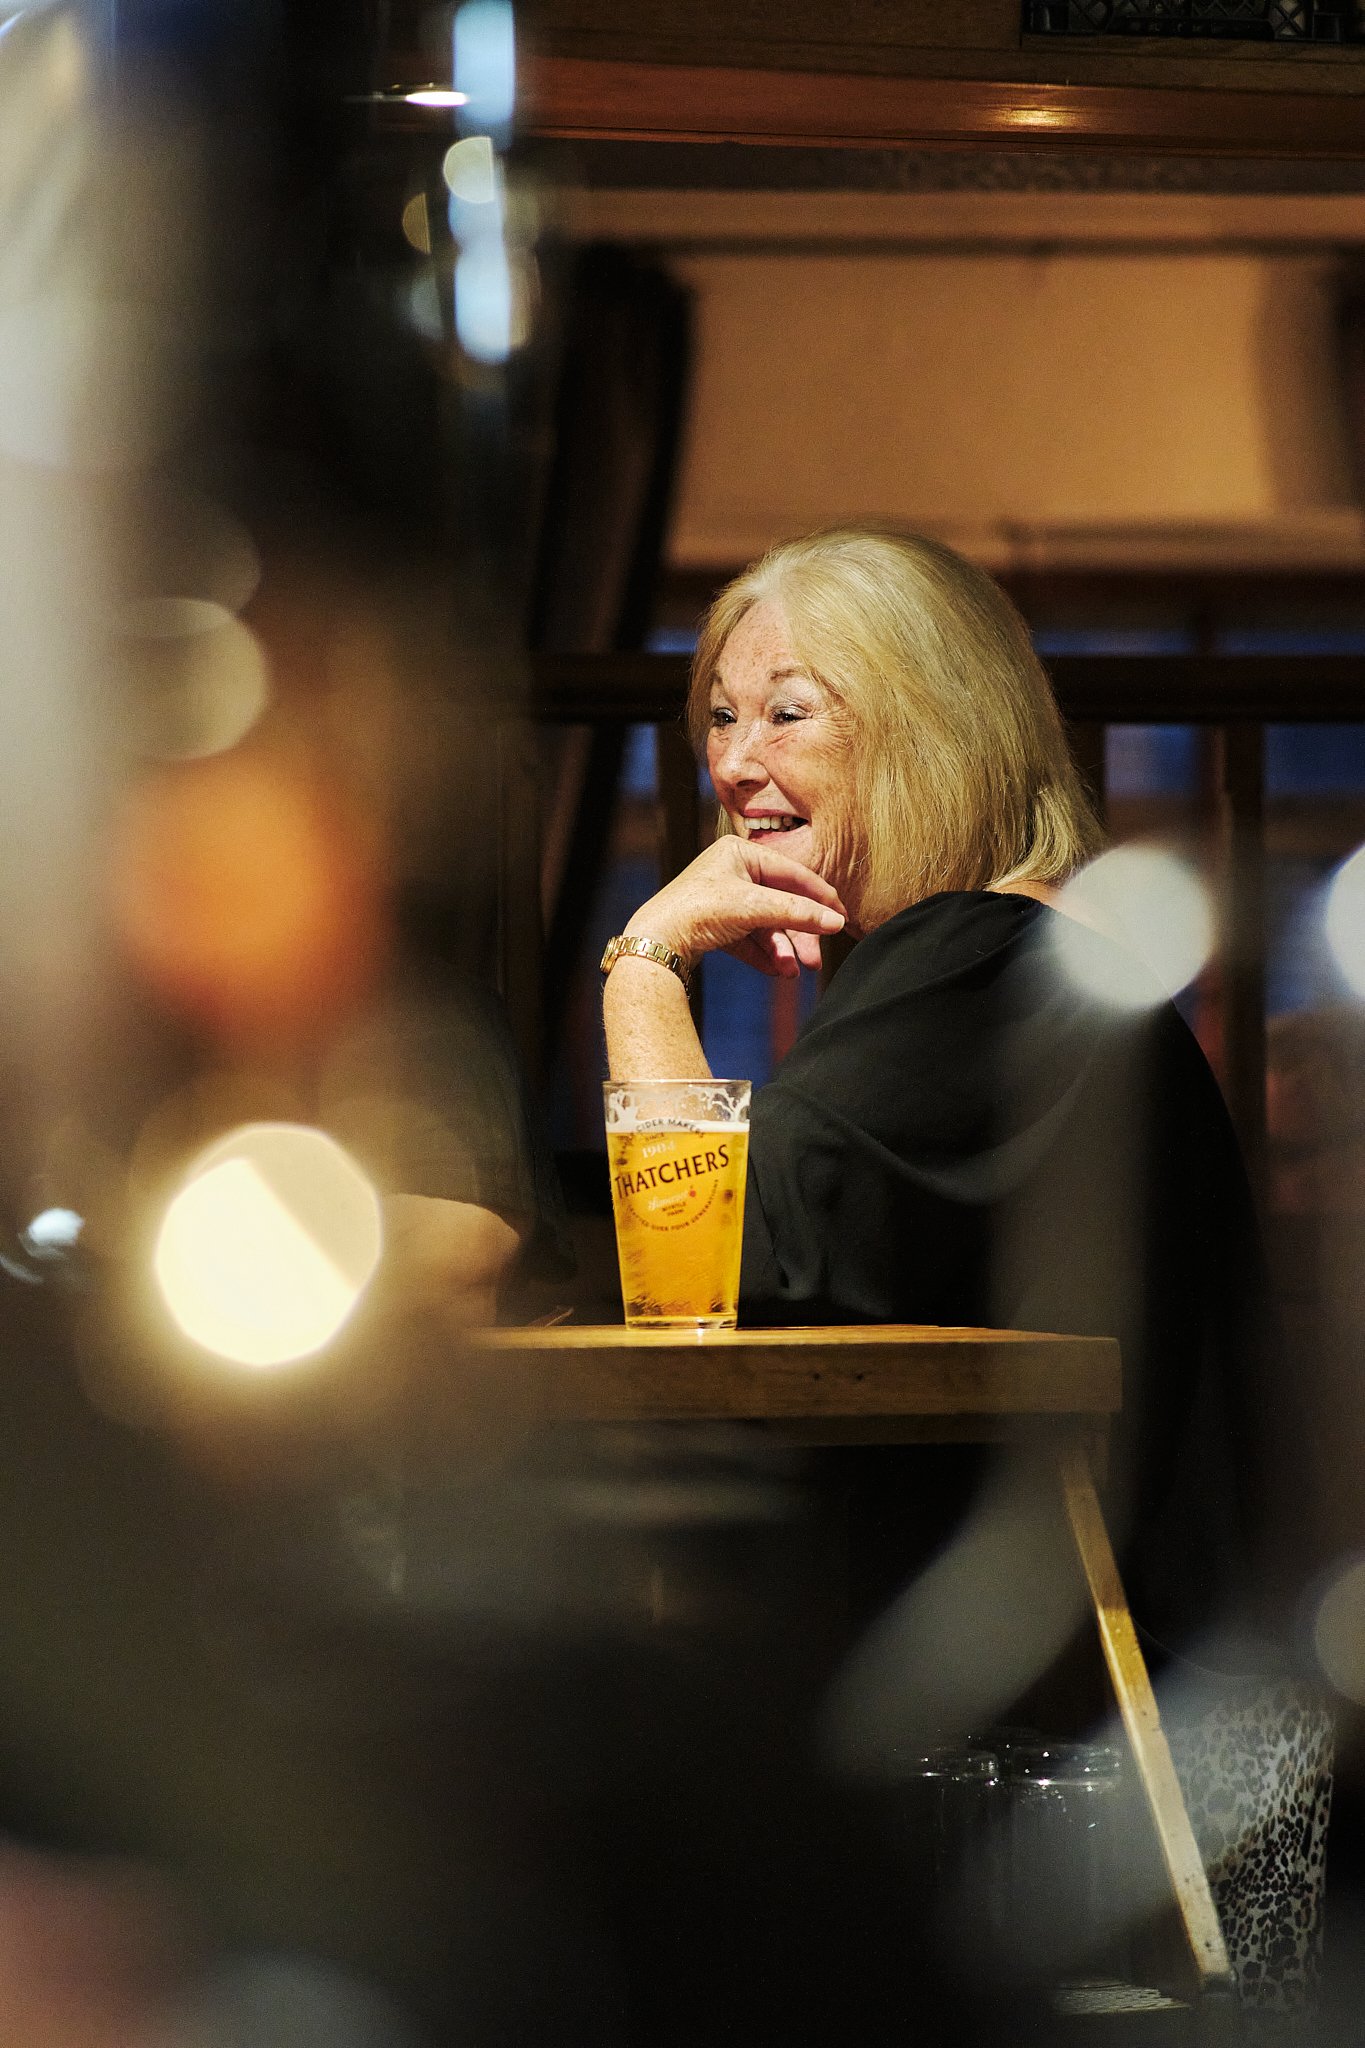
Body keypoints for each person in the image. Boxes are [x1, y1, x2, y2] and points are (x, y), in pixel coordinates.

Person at [601, 527, 1288, 1658]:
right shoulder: (1013, 957)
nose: (729, 763)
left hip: (1107, 1771)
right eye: (720, 717)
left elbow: (714, 1251)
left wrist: (646, 957)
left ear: (930, 732)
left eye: (787, 711)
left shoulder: (985, 958)